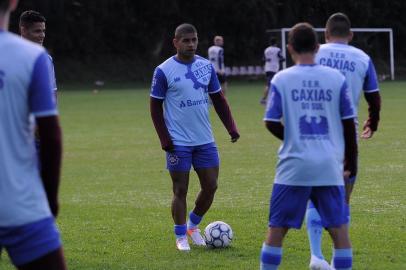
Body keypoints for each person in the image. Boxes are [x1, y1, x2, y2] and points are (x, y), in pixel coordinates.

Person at [260, 22, 358, 270]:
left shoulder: (282, 79)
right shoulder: (336, 78)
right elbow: (348, 124)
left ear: (290, 48)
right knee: (338, 230)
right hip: (328, 164)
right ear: (317, 47)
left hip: (294, 166)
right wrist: (351, 162)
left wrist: (294, 138)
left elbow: (270, 122)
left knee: (277, 229)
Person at [150, 23, 240, 251]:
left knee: (211, 186)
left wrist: (231, 127)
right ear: (176, 42)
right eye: (186, 40)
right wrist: (164, 139)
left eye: (194, 40)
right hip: (178, 142)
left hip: (205, 140)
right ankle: (180, 236)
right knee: (180, 190)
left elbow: (218, 99)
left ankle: (193, 226)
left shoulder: (205, 67)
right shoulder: (163, 70)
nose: (191, 44)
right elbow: (154, 107)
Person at [306, 13, 381, 270]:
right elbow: (373, 97)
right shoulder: (362, 57)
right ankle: (340, 262)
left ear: (325, 34)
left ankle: (316, 256)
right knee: (343, 199)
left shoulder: (314, 52)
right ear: (350, 35)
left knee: (315, 195)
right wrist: (374, 121)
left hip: (313, 133)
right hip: (346, 136)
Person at [0, 0, 67, 269]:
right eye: (36, 31)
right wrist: (49, 202)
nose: (41, 36)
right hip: (20, 203)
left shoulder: (40, 57)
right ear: (13, 4)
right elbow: (51, 134)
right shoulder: (31, 58)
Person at [19, 10, 58, 96]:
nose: (42, 35)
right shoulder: (7, 55)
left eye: (43, 31)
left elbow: (52, 93)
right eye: (37, 31)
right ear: (23, 30)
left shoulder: (46, 59)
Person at [260, 37, 285, 105]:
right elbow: (281, 58)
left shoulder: (266, 50)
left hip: (267, 69)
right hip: (274, 69)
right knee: (270, 84)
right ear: (276, 43)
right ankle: (263, 99)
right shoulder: (277, 50)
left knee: (270, 83)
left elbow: (263, 59)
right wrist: (282, 59)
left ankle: (268, 98)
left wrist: (268, 60)